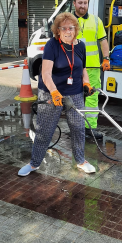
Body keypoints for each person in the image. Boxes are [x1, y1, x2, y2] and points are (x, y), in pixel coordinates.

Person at [18, 12, 96, 176]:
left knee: (78, 129)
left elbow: (82, 69)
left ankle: (81, 161)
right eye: (64, 28)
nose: (68, 30)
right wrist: (54, 92)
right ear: (58, 30)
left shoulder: (80, 46)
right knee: (44, 131)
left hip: (75, 94)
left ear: (76, 29)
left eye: (71, 27)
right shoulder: (52, 45)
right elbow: (45, 73)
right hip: (51, 93)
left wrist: (86, 83)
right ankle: (34, 164)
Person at [73, 0, 110, 139]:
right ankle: (76, 127)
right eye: (80, 3)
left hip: (93, 68)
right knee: (74, 97)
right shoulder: (68, 21)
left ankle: (90, 128)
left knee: (92, 98)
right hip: (73, 67)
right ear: (74, 3)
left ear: (88, 3)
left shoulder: (96, 21)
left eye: (85, 3)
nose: (83, 6)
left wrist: (106, 58)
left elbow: (103, 41)